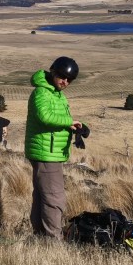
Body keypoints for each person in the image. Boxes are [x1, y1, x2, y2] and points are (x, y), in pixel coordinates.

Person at [25, 56, 84, 240]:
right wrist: (68, 122)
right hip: (46, 153)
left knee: (42, 196)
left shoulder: (56, 94)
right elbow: (45, 117)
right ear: (53, 72)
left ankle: (40, 236)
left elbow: (56, 119)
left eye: (69, 80)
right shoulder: (42, 92)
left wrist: (74, 127)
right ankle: (53, 240)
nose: (65, 82)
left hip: (50, 152)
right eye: (62, 76)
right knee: (54, 198)